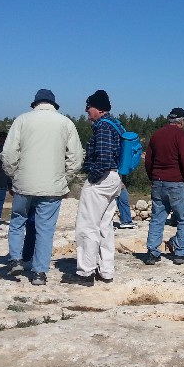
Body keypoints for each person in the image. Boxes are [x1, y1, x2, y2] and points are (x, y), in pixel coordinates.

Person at [2, 89, 84, 286]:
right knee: (45, 230)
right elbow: (76, 158)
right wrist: (65, 179)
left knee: (17, 221)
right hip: (52, 186)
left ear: (35, 104)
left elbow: (9, 154)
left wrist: (13, 175)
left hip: (24, 183)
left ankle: (15, 258)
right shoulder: (66, 123)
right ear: (54, 105)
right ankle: (39, 273)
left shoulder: (22, 120)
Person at [75, 90, 125, 282]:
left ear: (99, 108)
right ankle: (106, 271)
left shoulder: (103, 127)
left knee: (87, 225)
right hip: (115, 178)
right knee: (105, 226)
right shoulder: (116, 125)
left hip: (102, 179)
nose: (86, 110)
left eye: (89, 106)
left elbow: (103, 159)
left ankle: (86, 271)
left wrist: (92, 177)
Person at [143, 107, 184, 266]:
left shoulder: (157, 134)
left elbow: (148, 160)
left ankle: (152, 253)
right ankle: (181, 252)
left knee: (157, 218)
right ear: (182, 120)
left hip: (158, 181)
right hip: (177, 182)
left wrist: (152, 176)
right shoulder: (182, 136)